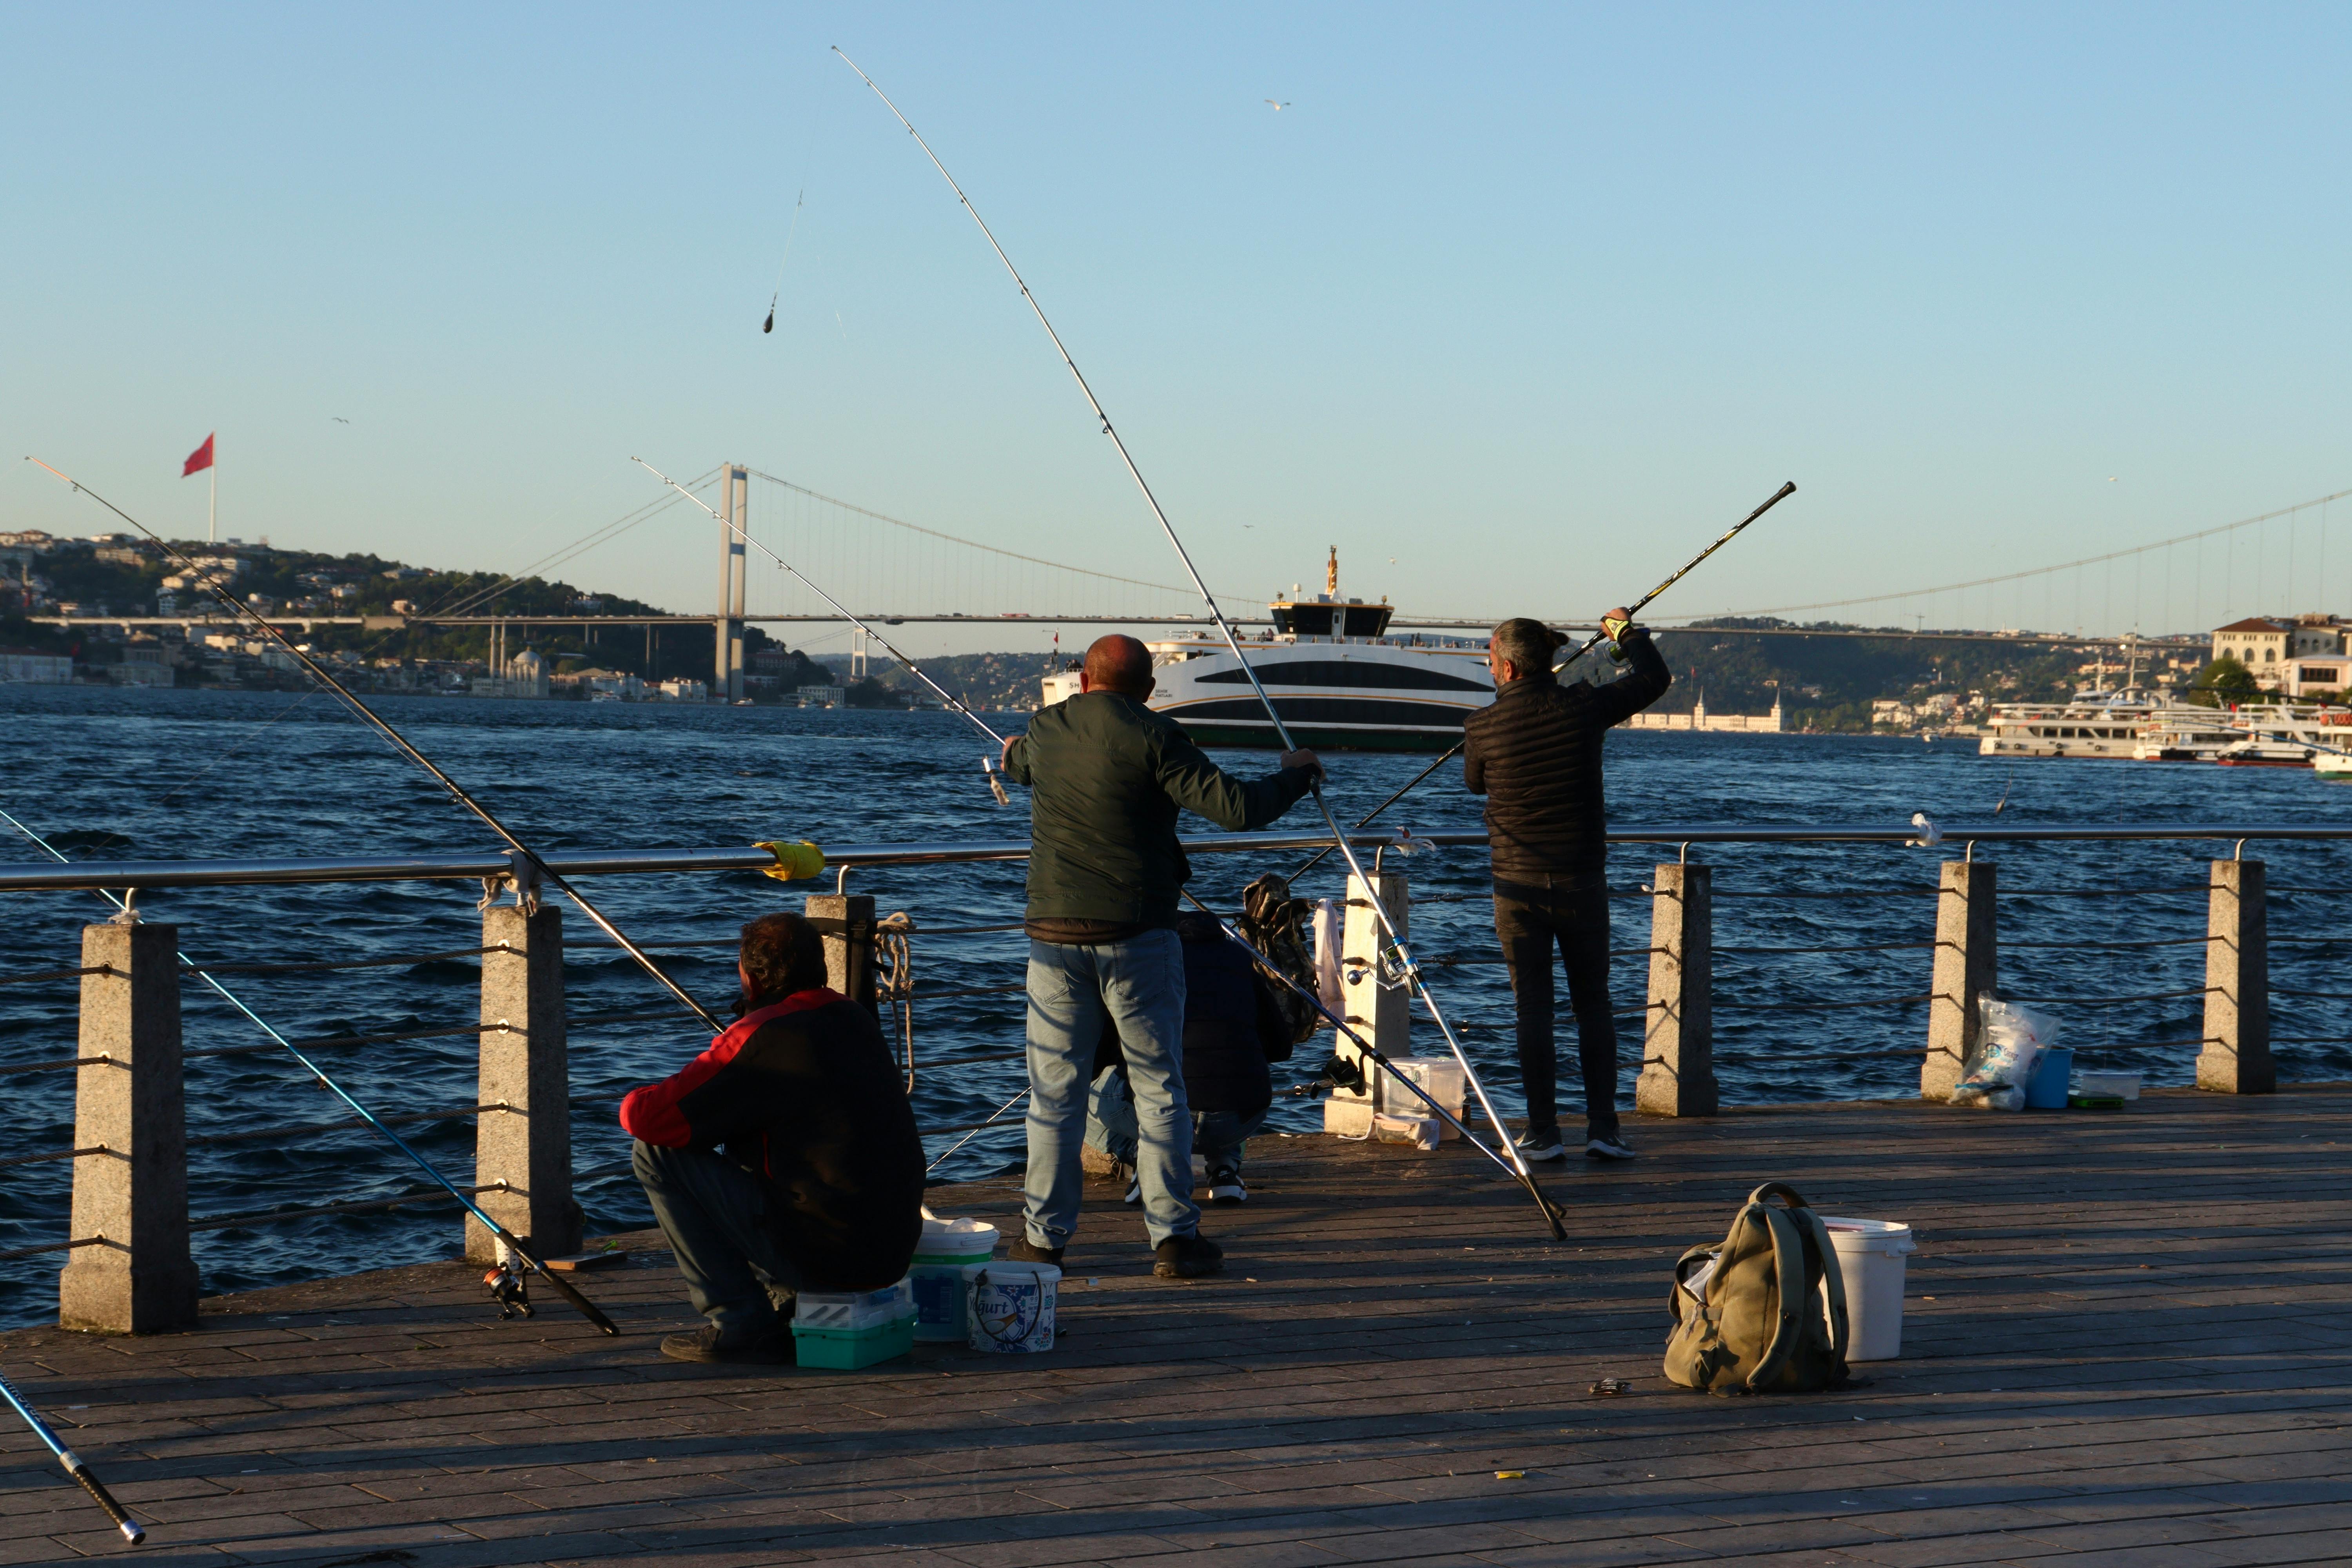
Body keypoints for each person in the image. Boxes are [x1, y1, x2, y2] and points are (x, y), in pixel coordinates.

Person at [1000, 633, 1321, 1278]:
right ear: (1149, 690)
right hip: (1139, 935)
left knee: (1054, 1096)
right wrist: (1294, 777)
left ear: (1084, 682)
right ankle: (1173, 1238)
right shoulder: (1156, 736)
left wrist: (1014, 755)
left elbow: (1020, 766)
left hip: (1056, 939)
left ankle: (1043, 1241)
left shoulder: (1047, 726)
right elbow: (1235, 809)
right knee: (1159, 1089)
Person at [619, 911, 925, 1363]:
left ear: (750, 977)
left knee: (656, 1153)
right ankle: (786, 1299)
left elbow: (646, 1118)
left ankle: (741, 1321)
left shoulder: (760, 1036)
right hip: (892, 1253)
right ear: (820, 967)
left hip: (828, 1257)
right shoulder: (853, 1017)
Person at [1461, 610, 1670, 1163]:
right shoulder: (1582, 706)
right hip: (1582, 880)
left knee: (1533, 1009)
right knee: (1593, 1004)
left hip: (1515, 887)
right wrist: (1626, 634)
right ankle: (1604, 1127)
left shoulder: (1480, 728)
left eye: (1489, 659)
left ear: (1506, 667)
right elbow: (1655, 679)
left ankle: (1543, 1132)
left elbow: (1473, 780)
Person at [1087, 907, 1295, 1207]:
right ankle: (1224, 1169)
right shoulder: (1240, 960)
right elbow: (1280, 1049)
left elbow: (1104, 1052)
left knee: (1082, 1089)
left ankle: (1146, 1161)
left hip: (1166, 1120)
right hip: (1240, 1122)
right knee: (1234, 1074)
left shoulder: (1146, 963)